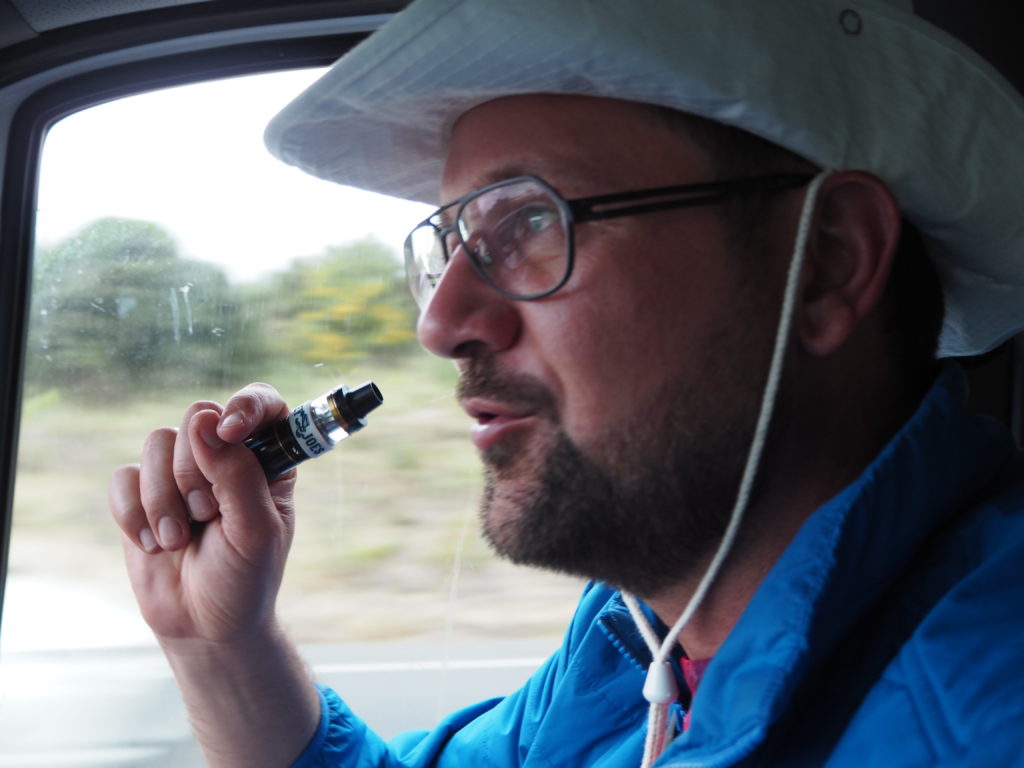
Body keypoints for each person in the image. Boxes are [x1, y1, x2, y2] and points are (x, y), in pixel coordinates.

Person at [108, 0, 1024, 766]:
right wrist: (217, 644)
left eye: (532, 223)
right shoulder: (639, 642)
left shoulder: (990, 705)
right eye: (449, 244)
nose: (440, 325)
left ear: (826, 263)